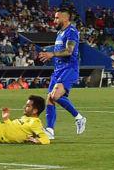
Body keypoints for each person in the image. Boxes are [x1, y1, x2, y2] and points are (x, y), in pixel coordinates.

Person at [35, 8, 86, 138]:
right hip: (58, 69)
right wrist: (48, 51)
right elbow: (59, 48)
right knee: (50, 99)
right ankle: (50, 131)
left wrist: (51, 54)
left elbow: (69, 51)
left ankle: (79, 118)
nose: (54, 20)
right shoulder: (60, 33)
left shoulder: (72, 32)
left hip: (69, 68)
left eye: (57, 18)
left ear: (65, 18)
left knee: (55, 95)